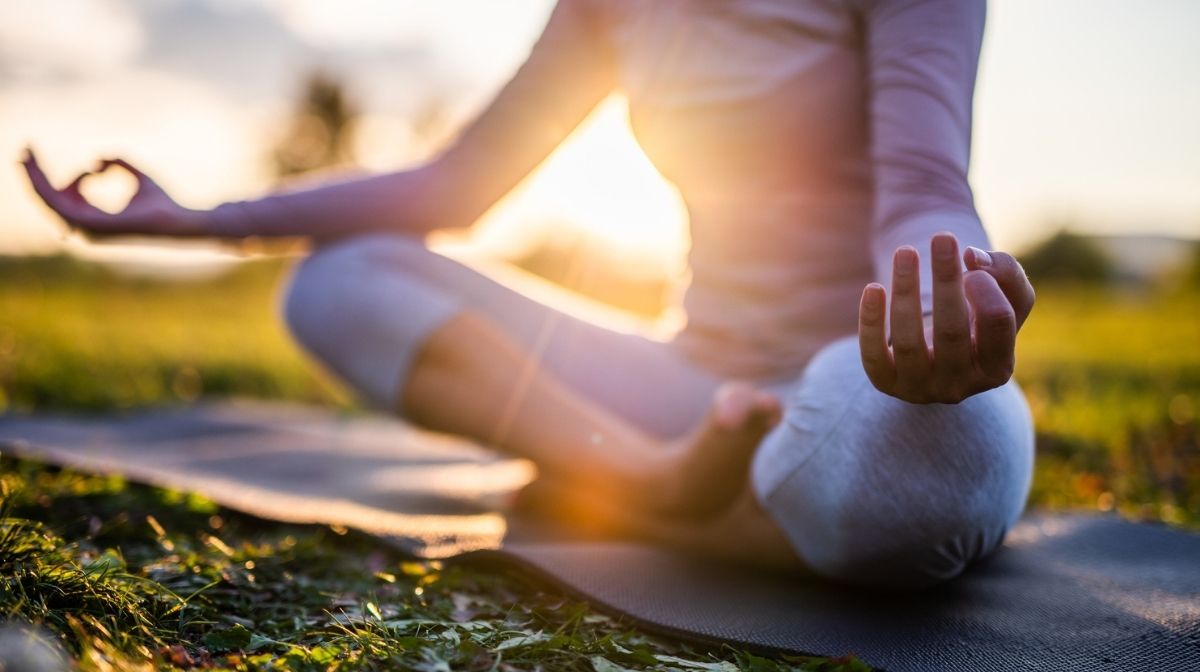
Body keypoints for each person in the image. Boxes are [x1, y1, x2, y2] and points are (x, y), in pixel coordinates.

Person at [23, 0, 1036, 590]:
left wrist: (954, 293)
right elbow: (453, 189)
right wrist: (193, 219)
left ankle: (658, 497)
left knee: (929, 471)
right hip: (692, 389)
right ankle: (654, 482)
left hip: (859, 382)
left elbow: (924, 189)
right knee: (339, 279)